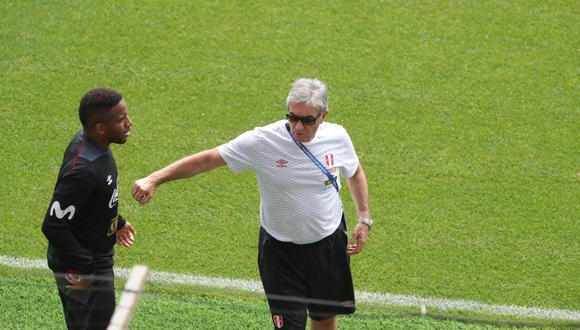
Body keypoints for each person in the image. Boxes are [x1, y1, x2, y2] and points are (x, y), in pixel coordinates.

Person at [132, 78, 372, 330]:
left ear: (324, 116)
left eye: (307, 120)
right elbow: (207, 160)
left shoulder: (338, 136)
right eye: (292, 117)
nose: (298, 126)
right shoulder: (262, 141)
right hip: (280, 254)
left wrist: (364, 218)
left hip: (328, 245)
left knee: (324, 319)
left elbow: (354, 172)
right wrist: (154, 178)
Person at [42, 87, 136, 330]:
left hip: (96, 257)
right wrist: (85, 268)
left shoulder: (96, 148)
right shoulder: (83, 169)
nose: (129, 123)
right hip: (81, 265)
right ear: (100, 128)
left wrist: (118, 222)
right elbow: (53, 224)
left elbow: (93, 201)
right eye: (121, 119)